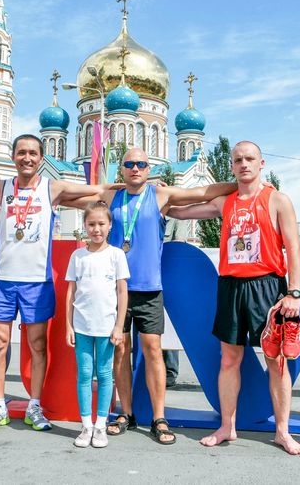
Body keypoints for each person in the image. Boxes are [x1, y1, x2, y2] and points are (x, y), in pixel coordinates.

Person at [70, 147, 236, 445]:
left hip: (148, 290)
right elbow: (71, 193)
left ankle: (159, 417)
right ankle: (126, 413)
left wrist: (244, 185)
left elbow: (203, 191)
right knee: (119, 351)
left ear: (149, 169)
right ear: (121, 168)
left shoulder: (160, 195)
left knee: (153, 351)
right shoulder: (110, 196)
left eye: (141, 164)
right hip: (115, 290)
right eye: (129, 164)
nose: (135, 169)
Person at [0, 134, 108, 433]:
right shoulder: (2, 187)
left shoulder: (53, 188)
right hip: (2, 280)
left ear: (40, 158)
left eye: (33, 153)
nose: (27, 158)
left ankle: (34, 405)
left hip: (37, 282)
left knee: (38, 345)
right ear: (13, 156)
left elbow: (98, 189)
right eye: (22, 152)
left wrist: (140, 187)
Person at [166, 141, 300, 454]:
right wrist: (158, 197)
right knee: (229, 359)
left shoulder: (278, 199)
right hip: (231, 286)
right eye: (238, 160)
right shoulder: (224, 202)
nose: (244, 164)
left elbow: (294, 249)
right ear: (232, 166)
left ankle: (282, 431)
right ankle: (227, 426)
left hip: (267, 287)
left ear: (261, 163)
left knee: (277, 361)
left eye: (249, 159)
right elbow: (181, 211)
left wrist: (294, 292)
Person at [65, 201, 129, 448]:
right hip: (82, 327)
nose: (96, 229)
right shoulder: (77, 256)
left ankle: (101, 425)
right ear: (84, 226)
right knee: (84, 374)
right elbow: (71, 293)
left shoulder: (116, 255)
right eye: (91, 224)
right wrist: (68, 326)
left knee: (104, 375)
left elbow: (122, 293)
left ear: (110, 226)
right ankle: (86, 426)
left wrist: (119, 325)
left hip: (106, 328)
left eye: (101, 224)